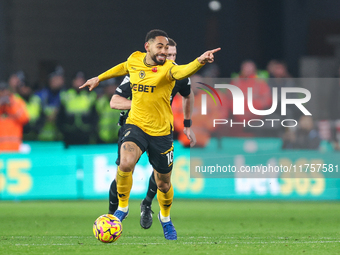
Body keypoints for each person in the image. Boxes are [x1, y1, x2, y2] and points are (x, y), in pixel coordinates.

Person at [80, 29, 220, 240]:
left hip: (162, 132)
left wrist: (200, 61)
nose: (165, 52)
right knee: (125, 163)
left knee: (163, 183)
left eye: (167, 49)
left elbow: (183, 74)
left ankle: (165, 219)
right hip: (136, 125)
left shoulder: (169, 69)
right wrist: (98, 78)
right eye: (161, 47)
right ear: (148, 47)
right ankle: (123, 208)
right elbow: (123, 67)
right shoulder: (135, 59)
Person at [107, 38, 196, 230]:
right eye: (167, 54)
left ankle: (147, 204)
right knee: (124, 167)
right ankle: (112, 216)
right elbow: (114, 101)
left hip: (161, 129)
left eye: (173, 56)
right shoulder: (139, 71)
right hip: (135, 126)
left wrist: (187, 124)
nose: (170, 59)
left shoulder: (179, 75)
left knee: (162, 178)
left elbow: (188, 95)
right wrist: (140, 107)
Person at [56, 71, 97, 147]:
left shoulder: (90, 96)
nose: (79, 83)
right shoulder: (66, 95)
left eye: (81, 80)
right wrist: (63, 130)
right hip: (69, 133)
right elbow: (60, 116)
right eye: (77, 80)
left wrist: (92, 130)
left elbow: (95, 116)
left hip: (85, 133)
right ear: (72, 81)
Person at [0, 81, 29, 151]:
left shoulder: (17, 102)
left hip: (15, 148)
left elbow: (25, 119)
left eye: (4, 91)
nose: (3, 95)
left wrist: (11, 105)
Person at [95, 78, 121, 143]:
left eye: (113, 86)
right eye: (109, 87)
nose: (111, 89)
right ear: (105, 89)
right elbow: (94, 120)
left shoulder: (123, 101)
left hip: (120, 138)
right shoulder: (100, 103)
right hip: (102, 138)